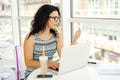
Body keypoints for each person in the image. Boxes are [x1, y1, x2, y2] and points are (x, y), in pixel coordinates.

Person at [24, 4, 80, 78]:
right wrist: (49, 63)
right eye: (55, 18)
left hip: (49, 71)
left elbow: (63, 56)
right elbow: (28, 62)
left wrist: (73, 41)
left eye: (58, 18)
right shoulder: (31, 37)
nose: (57, 22)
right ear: (45, 18)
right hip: (33, 73)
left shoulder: (56, 35)